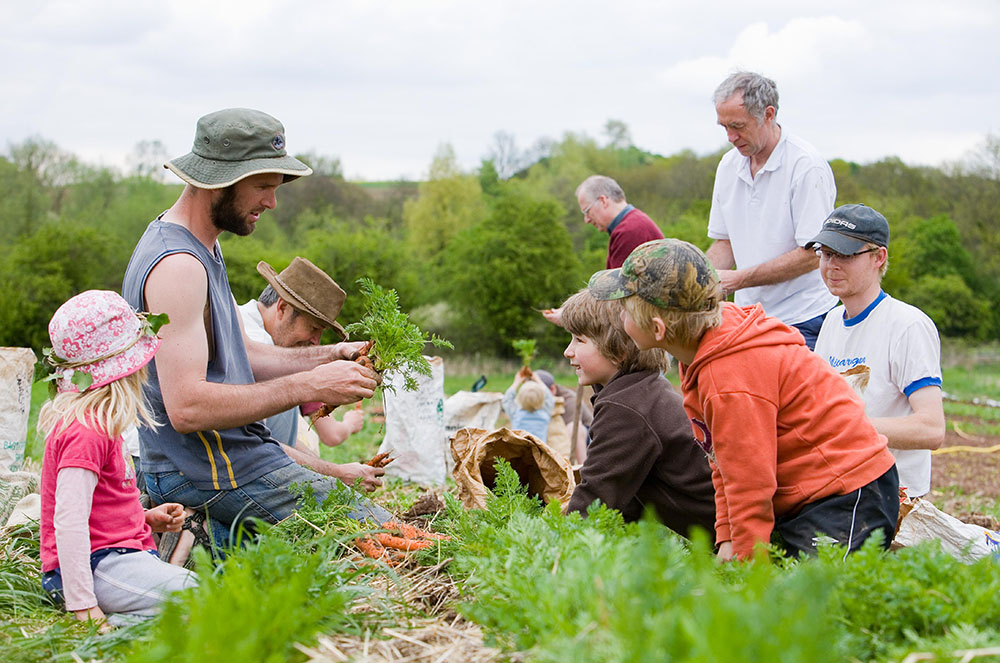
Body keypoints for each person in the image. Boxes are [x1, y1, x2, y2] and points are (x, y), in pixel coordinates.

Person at [122, 107, 392, 546]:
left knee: (358, 534)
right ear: (221, 180)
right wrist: (310, 385)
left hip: (234, 460)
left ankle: (210, 543)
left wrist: (333, 355)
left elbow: (244, 355)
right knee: (381, 534)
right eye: (263, 186)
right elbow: (186, 407)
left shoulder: (202, 248)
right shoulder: (178, 266)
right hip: (205, 470)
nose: (272, 201)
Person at [590, 239, 899, 560]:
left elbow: (751, 480)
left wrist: (743, 557)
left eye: (625, 309)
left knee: (813, 600)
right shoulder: (701, 347)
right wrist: (727, 537)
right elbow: (723, 460)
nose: (620, 316)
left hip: (846, 492)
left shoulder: (729, 377)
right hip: (806, 496)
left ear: (657, 329)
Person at [38, 291, 197, 628]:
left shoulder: (102, 427)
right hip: (95, 566)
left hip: (114, 559)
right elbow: (69, 520)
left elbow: (99, 508)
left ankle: (121, 625)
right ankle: (103, 628)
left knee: (195, 598)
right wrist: (82, 603)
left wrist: (145, 519)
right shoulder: (86, 434)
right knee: (194, 594)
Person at [808, 204, 946, 498]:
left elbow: (932, 429)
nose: (831, 265)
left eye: (845, 255)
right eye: (826, 253)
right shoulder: (832, 321)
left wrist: (849, 427)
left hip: (892, 495)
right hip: (839, 485)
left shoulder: (907, 325)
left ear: (878, 257)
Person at [560, 289, 716, 537]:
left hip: (726, 533)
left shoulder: (626, 408)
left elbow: (597, 493)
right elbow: (628, 493)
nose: (568, 351)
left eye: (579, 340)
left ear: (619, 350)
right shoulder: (642, 389)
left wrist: (555, 546)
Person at [705, 71, 838, 349]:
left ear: (768, 114)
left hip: (804, 318)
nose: (730, 136)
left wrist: (738, 280)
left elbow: (814, 254)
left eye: (738, 126)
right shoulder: (728, 166)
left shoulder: (806, 166)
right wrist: (699, 280)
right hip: (747, 318)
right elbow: (725, 243)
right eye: (724, 126)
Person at [238, 257, 381, 492]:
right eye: (313, 328)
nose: (315, 341)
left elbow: (275, 435)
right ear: (282, 308)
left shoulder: (264, 336)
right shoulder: (255, 340)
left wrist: (332, 471)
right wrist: (337, 474)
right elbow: (252, 445)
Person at [542, 175, 663, 327]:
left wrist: (572, 314)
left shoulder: (630, 230)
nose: (586, 220)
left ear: (603, 201)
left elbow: (616, 296)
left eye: (587, 211)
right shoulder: (630, 224)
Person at [534, 369, 593, 464]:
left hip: (586, 439)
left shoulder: (570, 401)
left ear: (552, 389)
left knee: (574, 429)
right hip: (557, 437)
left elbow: (569, 433)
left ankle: (582, 468)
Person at [501, 369, 555, 442]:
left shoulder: (516, 415)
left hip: (519, 451)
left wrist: (516, 383)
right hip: (539, 450)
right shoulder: (545, 414)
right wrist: (538, 380)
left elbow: (507, 400)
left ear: (519, 399)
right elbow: (550, 397)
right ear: (542, 399)